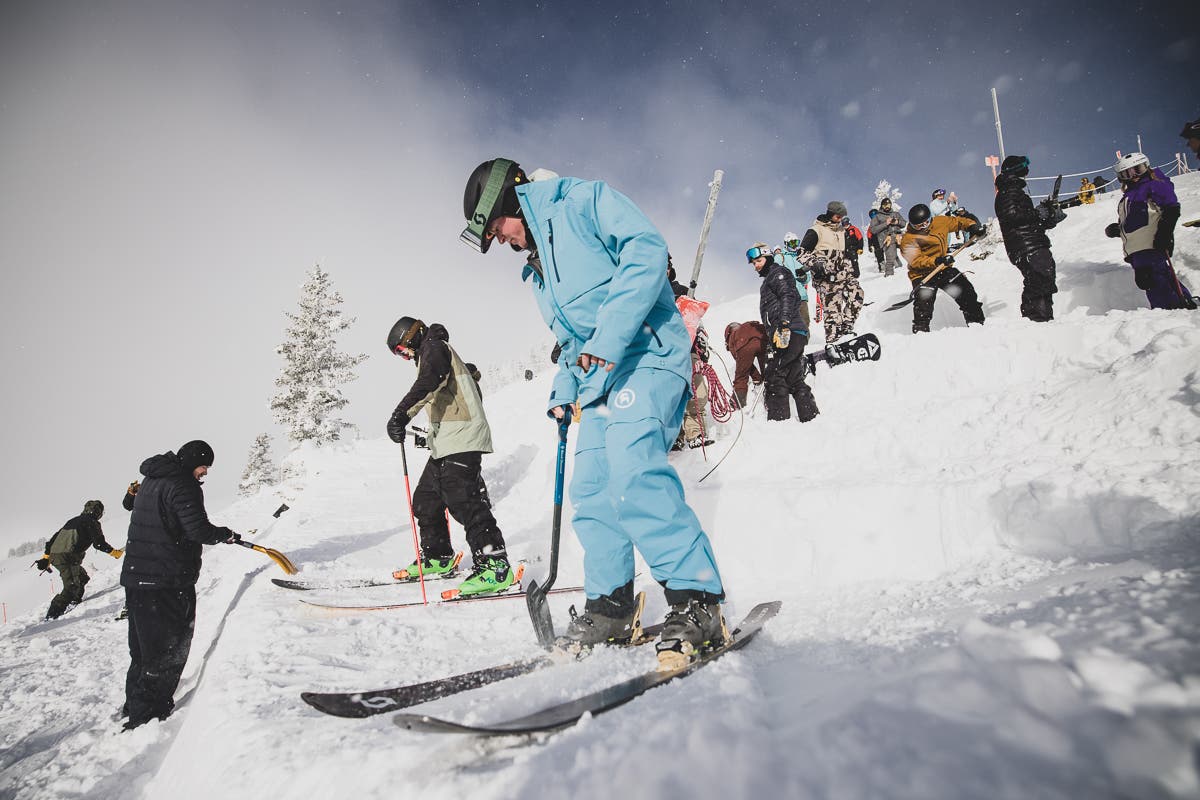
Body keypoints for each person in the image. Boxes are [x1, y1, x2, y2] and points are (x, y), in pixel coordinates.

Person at [461, 158, 728, 666]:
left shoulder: (582, 202)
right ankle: (611, 608)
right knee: (591, 489)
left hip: (648, 355)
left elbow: (646, 249)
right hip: (600, 379)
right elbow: (571, 342)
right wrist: (564, 389)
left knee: (632, 469)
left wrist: (608, 337)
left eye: (497, 227)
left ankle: (699, 601)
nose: (501, 240)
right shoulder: (537, 273)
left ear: (510, 199)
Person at [385, 317, 514, 595]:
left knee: (463, 499)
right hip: (446, 442)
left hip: (462, 438)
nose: (404, 356)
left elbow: (430, 382)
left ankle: (494, 565)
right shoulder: (431, 352)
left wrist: (401, 414)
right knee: (425, 499)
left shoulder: (433, 345)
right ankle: (438, 556)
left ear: (410, 336)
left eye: (402, 350)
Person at [121, 440, 240, 730]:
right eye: (203, 466)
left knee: (143, 650)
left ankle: (135, 705)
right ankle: (148, 717)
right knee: (167, 650)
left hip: (138, 577)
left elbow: (138, 508)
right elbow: (198, 529)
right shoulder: (183, 485)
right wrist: (225, 534)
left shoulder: (152, 480)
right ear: (191, 462)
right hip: (165, 581)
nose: (205, 472)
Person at [1104, 153, 1193, 309]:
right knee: (1157, 276)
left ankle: (1168, 310)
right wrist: (1118, 229)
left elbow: (1171, 209)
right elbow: (1137, 221)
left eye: (1137, 169)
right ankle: (1182, 303)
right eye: (1127, 173)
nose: (1134, 176)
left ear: (1146, 167)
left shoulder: (1154, 184)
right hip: (1137, 249)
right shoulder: (1128, 196)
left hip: (1150, 245)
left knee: (1151, 279)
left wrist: (1164, 235)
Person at [750, 242, 820, 423]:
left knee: (775, 374)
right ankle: (810, 417)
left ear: (768, 257)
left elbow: (788, 295)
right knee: (793, 377)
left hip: (789, 330)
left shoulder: (778, 273)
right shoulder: (770, 278)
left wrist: (784, 323)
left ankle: (778, 422)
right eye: (754, 263)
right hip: (790, 331)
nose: (756, 265)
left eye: (759, 260)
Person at [900, 204, 988, 333]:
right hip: (922, 274)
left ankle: (977, 323)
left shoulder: (941, 222)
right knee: (924, 303)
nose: (923, 227)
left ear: (930, 219)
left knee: (965, 292)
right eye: (918, 226)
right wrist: (936, 260)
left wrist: (972, 227)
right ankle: (921, 332)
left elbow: (959, 222)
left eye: (926, 223)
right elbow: (916, 261)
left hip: (943, 269)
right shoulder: (908, 238)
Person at [994, 155, 1060, 322]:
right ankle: (1036, 319)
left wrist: (1047, 218)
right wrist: (1036, 213)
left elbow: (1024, 221)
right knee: (1039, 280)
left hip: (1032, 242)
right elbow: (1011, 215)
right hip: (1026, 246)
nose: (1027, 172)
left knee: (1044, 280)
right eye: (1024, 167)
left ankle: (1043, 318)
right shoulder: (1008, 191)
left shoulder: (1014, 191)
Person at [36, 500, 122, 619]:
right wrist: (114, 552)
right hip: (67, 557)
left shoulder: (72, 521)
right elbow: (98, 543)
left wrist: (46, 558)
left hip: (57, 556)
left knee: (82, 578)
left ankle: (73, 602)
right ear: (98, 512)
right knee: (71, 587)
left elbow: (53, 540)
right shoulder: (91, 522)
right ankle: (52, 616)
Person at [797, 201, 864, 344]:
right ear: (830, 214)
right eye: (838, 216)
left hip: (843, 274)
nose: (840, 220)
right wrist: (815, 264)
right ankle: (833, 339)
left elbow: (847, 252)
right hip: (825, 278)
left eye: (842, 217)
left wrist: (853, 266)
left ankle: (846, 328)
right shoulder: (816, 230)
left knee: (857, 294)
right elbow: (801, 253)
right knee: (833, 311)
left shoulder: (841, 231)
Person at [673, 325, 715, 451]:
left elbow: (697, 324)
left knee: (698, 395)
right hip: (667, 356)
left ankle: (695, 433)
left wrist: (700, 339)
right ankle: (673, 436)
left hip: (688, 353)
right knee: (670, 399)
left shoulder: (690, 315)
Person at [723, 321, 767, 408]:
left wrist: (756, 378)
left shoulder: (733, 336)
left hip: (744, 344)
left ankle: (738, 402)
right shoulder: (749, 327)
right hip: (763, 339)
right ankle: (772, 401)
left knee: (741, 376)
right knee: (769, 374)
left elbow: (743, 365)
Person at [780, 232, 813, 334]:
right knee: (789, 322)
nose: (795, 246)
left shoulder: (800, 257)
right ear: (786, 244)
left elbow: (808, 276)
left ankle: (805, 341)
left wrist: (804, 277)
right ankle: (791, 341)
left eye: (796, 243)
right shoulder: (782, 257)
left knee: (805, 321)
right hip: (788, 296)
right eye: (792, 243)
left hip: (801, 295)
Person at [868, 197, 906, 277]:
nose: (887, 206)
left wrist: (897, 222)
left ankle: (903, 274)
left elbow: (904, 223)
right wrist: (886, 223)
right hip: (887, 238)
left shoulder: (895, 214)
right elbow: (873, 230)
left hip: (898, 236)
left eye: (888, 204)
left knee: (911, 250)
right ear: (882, 206)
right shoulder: (877, 216)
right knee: (890, 258)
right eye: (885, 205)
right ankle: (889, 276)